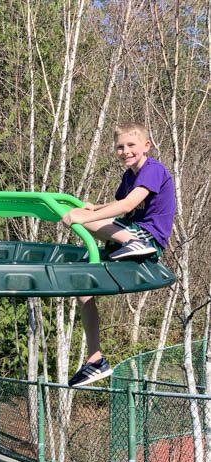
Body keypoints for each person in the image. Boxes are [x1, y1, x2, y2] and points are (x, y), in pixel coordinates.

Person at [62, 121, 176, 387]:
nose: (125, 151)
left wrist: (84, 217)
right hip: (130, 234)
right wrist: (95, 207)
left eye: (131, 145)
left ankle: (134, 242)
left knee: (79, 218)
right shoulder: (129, 177)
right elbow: (120, 204)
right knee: (83, 287)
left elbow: (128, 205)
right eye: (120, 147)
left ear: (146, 145)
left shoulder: (153, 169)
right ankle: (95, 360)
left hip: (147, 237)